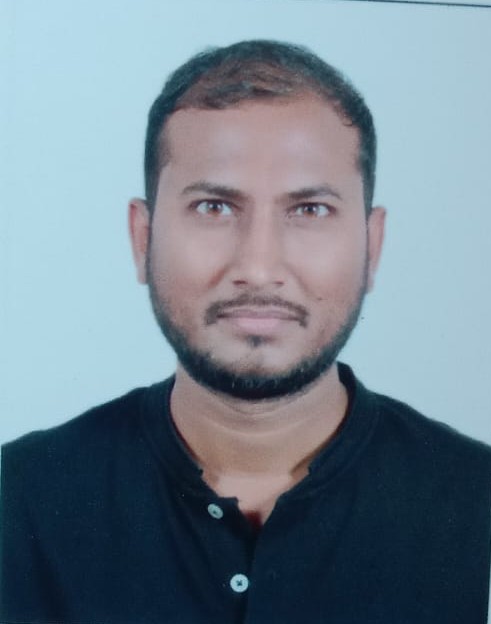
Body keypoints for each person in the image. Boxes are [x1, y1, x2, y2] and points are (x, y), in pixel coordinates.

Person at [1, 39, 490, 624]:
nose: (258, 267)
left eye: (310, 210)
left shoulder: (476, 502)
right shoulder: (17, 499)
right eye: (214, 207)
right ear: (142, 238)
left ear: (372, 245)